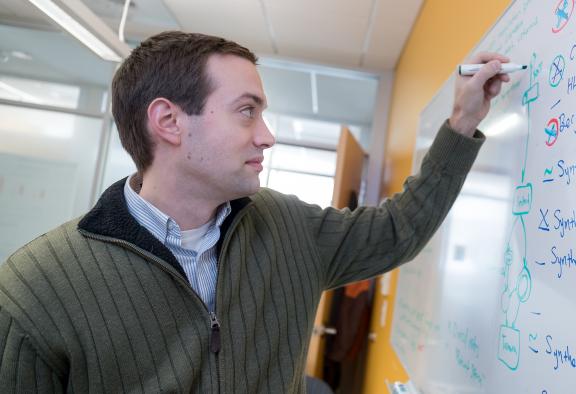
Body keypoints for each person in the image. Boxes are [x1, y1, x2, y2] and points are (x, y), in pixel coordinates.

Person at [0, 31, 509, 393]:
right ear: (169, 122)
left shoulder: (290, 228)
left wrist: (462, 123)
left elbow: (400, 230)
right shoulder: (37, 287)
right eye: (247, 111)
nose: (267, 135)